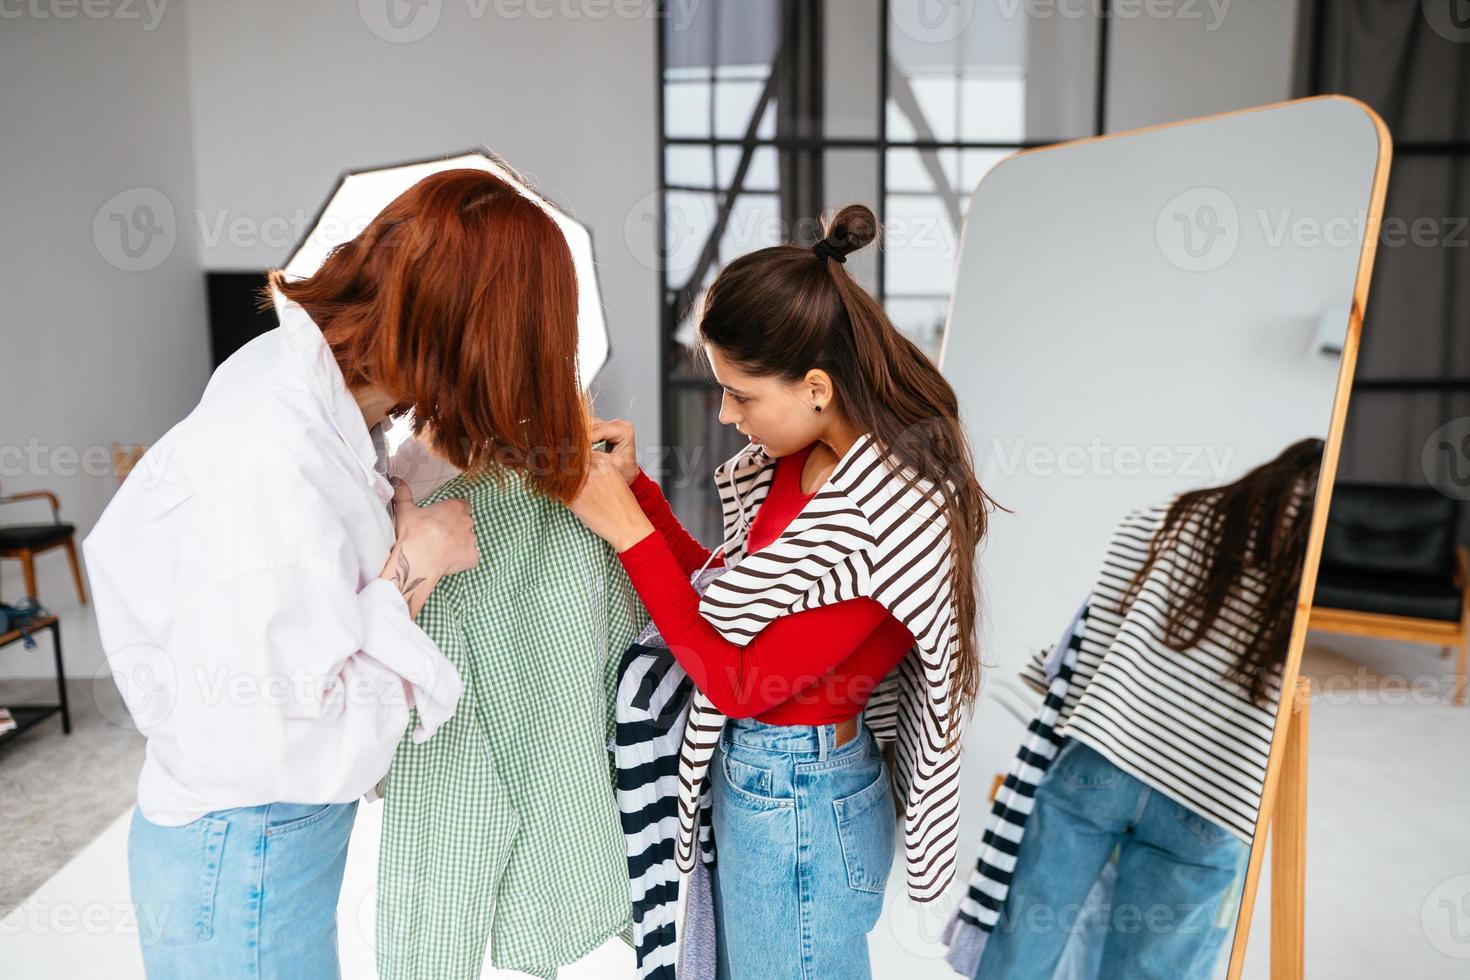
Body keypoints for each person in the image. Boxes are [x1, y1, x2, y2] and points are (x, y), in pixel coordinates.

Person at [83, 167, 593, 979]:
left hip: (254, 838)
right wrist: (416, 567)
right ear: (471, 339)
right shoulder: (276, 453)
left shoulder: (304, 381)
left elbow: (322, 550)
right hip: (244, 843)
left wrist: (412, 483)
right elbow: (296, 730)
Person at [567, 204, 999, 978]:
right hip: (772, 783)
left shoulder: (886, 509)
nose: (729, 417)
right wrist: (642, 500)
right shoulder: (802, 468)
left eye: (741, 394)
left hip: (800, 795)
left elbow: (739, 677)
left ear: (816, 388)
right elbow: (725, 600)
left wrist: (628, 535)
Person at [977, 437, 1324, 980]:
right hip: (1214, 795)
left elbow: (1097, 641)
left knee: (1022, 948)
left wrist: (1086, 724)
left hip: (1102, 759)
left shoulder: (1173, 518)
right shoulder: (1312, 570)